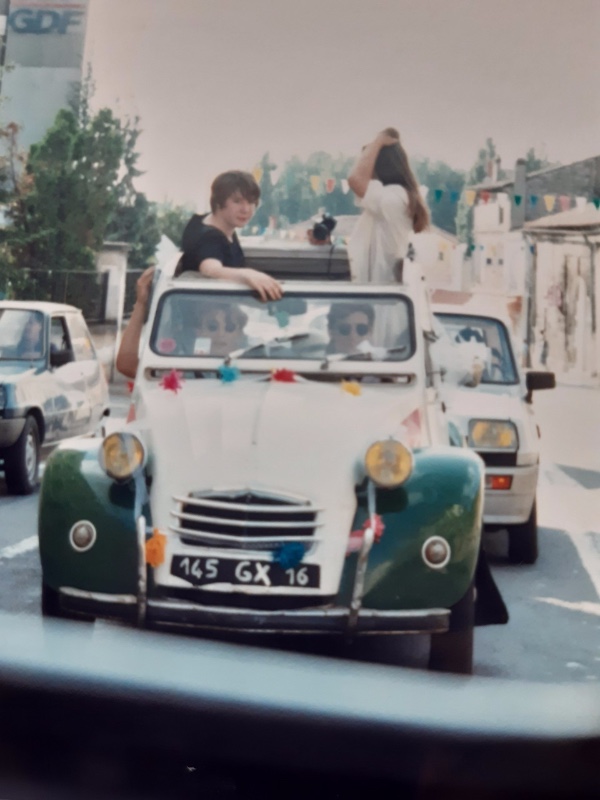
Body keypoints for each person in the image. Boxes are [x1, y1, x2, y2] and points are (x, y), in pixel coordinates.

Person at [175, 170, 282, 303]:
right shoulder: (210, 238)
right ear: (218, 202)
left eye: (251, 202)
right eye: (237, 201)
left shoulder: (206, 222)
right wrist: (249, 275)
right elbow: (210, 269)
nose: (246, 209)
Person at [346, 128, 429, 283]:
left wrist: (379, 141)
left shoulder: (395, 197)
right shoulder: (393, 197)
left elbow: (355, 180)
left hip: (382, 291)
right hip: (379, 290)